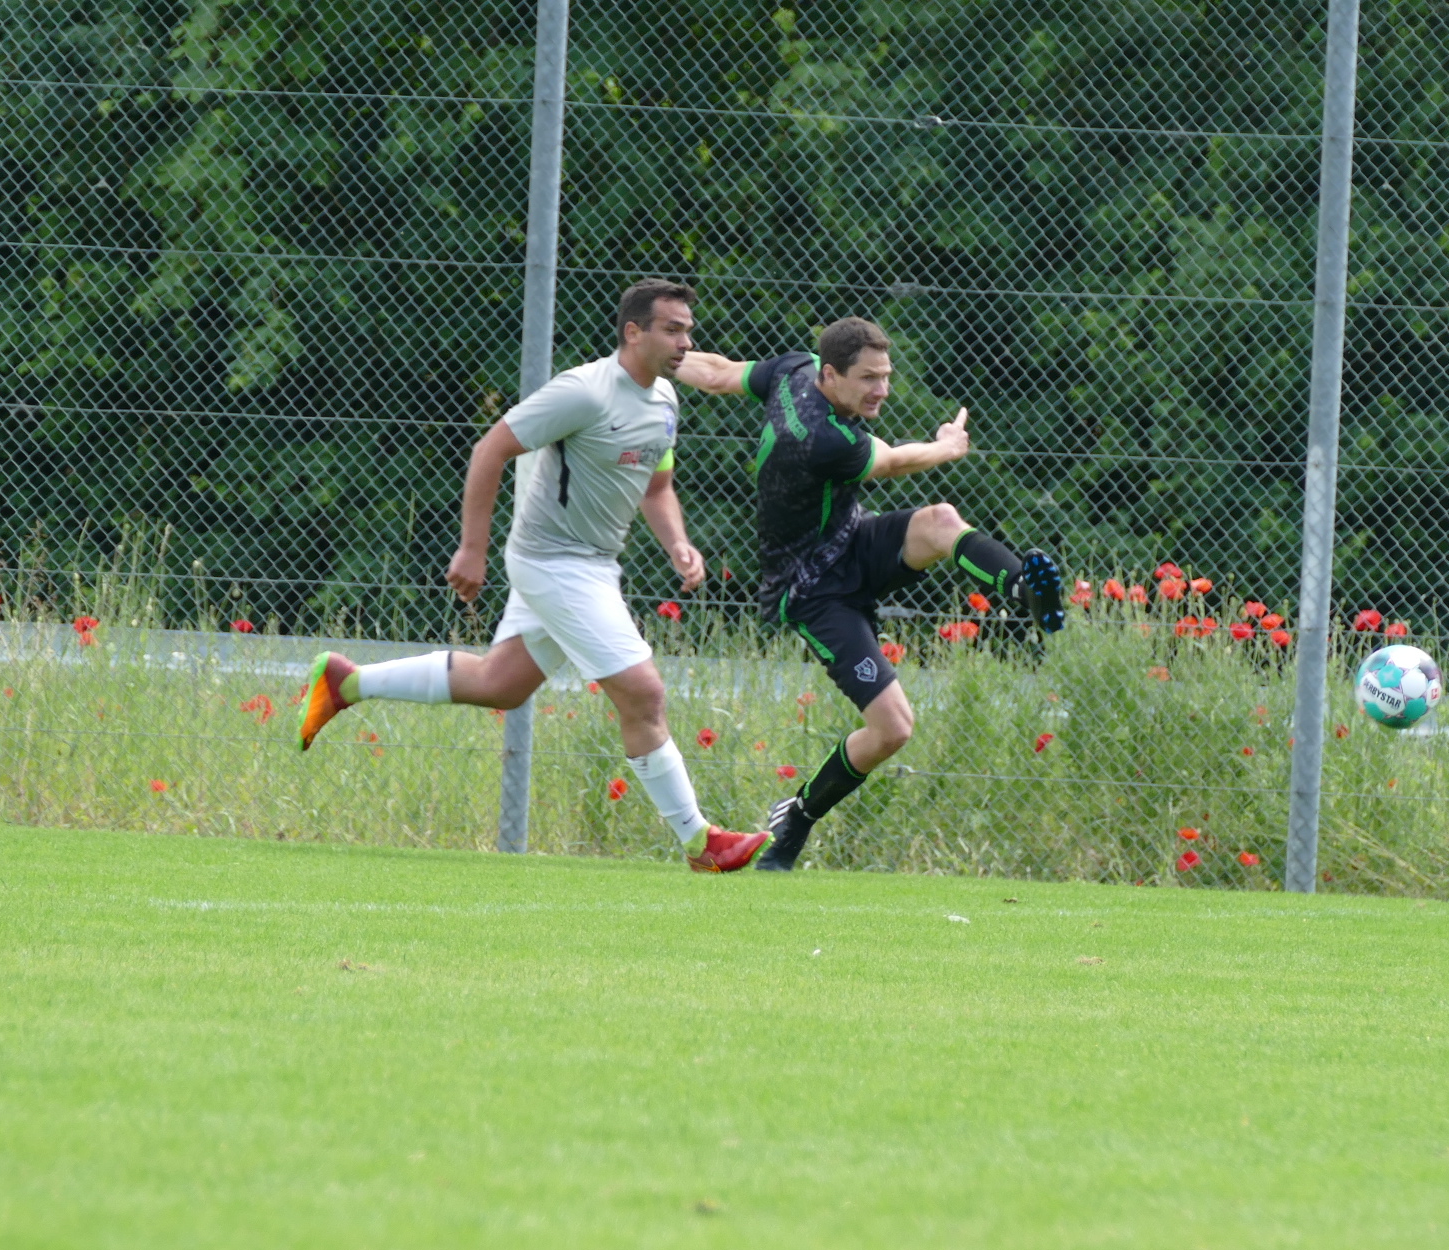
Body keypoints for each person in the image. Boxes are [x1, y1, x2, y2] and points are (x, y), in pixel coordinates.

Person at [298, 278, 769, 873]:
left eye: (688, 331)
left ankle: (346, 682)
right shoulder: (584, 391)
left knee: (501, 684)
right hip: (552, 561)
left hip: (594, 564)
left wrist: (677, 543)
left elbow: (657, 487)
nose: (686, 343)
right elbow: (490, 450)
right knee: (643, 692)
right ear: (633, 332)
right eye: (673, 330)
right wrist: (473, 549)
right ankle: (701, 842)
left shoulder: (665, 401)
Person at [672, 316, 1064, 872]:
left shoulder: (794, 371)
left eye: (886, 375)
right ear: (831, 375)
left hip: (853, 541)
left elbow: (715, 372)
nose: (881, 389)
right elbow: (897, 461)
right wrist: (947, 446)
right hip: (812, 590)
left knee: (941, 520)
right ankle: (797, 815)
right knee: (893, 729)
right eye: (868, 379)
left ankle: (1024, 588)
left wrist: (651, 359)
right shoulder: (827, 439)